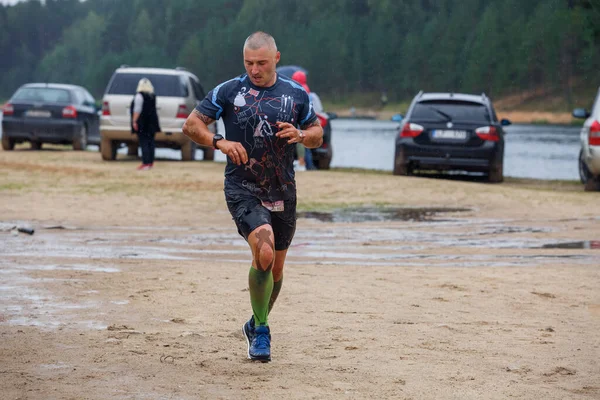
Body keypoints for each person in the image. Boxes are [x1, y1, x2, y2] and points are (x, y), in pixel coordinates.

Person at [182, 31, 323, 362]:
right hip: (242, 187)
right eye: (248, 63)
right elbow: (191, 125)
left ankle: (254, 321)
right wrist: (220, 142)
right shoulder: (229, 91)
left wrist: (302, 135)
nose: (254, 70)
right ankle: (262, 331)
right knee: (263, 251)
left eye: (261, 63)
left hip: (283, 189)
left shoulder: (297, 94)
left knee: (274, 272)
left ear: (276, 58)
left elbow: (317, 135)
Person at [291, 70, 323, 170]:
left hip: (298, 120)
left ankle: (305, 164)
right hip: (311, 120)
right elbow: (319, 110)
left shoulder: (292, 91)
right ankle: (309, 165)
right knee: (307, 143)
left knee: (301, 143)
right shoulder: (311, 94)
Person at [131, 78, 161, 171]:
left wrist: (134, 121)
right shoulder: (152, 96)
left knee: (144, 142)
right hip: (152, 123)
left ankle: (145, 163)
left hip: (143, 123)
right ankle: (150, 162)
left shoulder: (139, 96)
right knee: (151, 142)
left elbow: (137, 110)